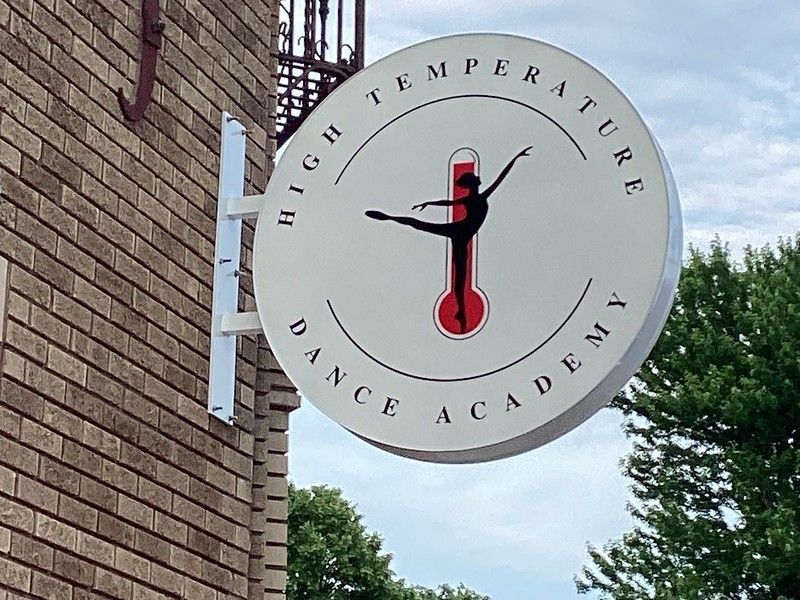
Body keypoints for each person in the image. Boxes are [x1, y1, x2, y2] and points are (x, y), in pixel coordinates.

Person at [365, 146, 533, 333]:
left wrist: (516, 157)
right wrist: (428, 203)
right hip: (460, 231)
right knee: (418, 225)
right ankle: (387, 217)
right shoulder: (476, 198)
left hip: (462, 234)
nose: (478, 178)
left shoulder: (479, 197)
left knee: (458, 274)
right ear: (472, 183)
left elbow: (501, 177)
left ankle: (461, 311)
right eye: (475, 178)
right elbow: (450, 202)